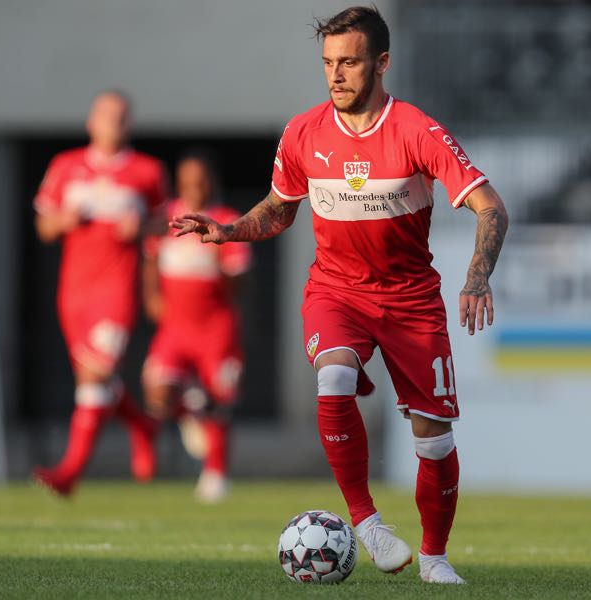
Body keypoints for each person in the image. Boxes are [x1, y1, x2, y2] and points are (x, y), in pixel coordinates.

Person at [172, 6, 508, 584]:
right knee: (333, 378)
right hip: (337, 290)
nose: (336, 75)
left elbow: (490, 207)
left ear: (381, 63)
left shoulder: (417, 131)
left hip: (409, 299)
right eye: (328, 63)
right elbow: (280, 208)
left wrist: (476, 278)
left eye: (349, 62)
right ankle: (368, 522)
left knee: (432, 437)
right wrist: (227, 230)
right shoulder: (304, 132)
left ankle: (433, 557)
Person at [32, 90, 165, 496]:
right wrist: (63, 220)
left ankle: (68, 474)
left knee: (95, 376)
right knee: (94, 382)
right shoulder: (65, 166)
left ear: (130, 124)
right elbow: (44, 228)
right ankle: (142, 425)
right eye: (106, 114)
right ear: (91, 121)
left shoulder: (146, 171)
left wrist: (140, 228)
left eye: (121, 115)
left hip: (116, 290)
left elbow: (165, 223)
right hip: (73, 293)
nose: (113, 121)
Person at [141, 152, 251, 503]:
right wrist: (151, 295)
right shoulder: (166, 219)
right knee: (157, 394)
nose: (194, 186)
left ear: (211, 182)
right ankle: (189, 408)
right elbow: (150, 258)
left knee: (219, 400)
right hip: (175, 325)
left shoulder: (225, 220)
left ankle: (216, 474)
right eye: (187, 178)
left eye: (200, 178)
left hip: (215, 326)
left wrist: (219, 262)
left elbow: (241, 283)